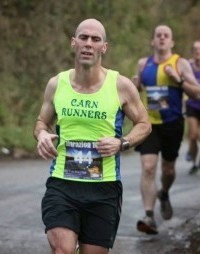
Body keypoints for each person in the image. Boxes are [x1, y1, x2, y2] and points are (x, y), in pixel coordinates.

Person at [34, 18, 151, 254]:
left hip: (104, 188)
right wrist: (42, 135)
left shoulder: (121, 85)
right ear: (73, 43)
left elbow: (144, 124)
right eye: (84, 38)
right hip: (62, 185)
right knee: (62, 250)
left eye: (95, 39)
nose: (88, 43)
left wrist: (122, 142)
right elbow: (41, 123)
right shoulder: (57, 84)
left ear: (104, 47)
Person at [132, 25, 200, 235]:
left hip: (172, 124)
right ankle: (149, 216)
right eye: (158, 35)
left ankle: (164, 192)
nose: (162, 38)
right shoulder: (143, 64)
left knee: (168, 170)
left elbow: (197, 93)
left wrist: (178, 80)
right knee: (149, 167)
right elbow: (135, 90)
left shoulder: (179, 63)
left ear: (171, 42)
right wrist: (135, 85)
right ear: (153, 41)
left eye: (166, 36)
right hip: (149, 125)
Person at [185, 40, 200, 174]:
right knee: (193, 135)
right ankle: (194, 163)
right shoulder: (188, 65)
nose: (197, 51)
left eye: (199, 49)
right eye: (195, 49)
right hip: (192, 106)